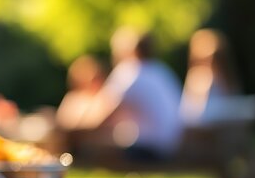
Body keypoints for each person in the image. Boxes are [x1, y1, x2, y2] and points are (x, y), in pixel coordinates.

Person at [68, 27, 183, 162]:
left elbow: (103, 117)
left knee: (89, 145)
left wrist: (72, 133)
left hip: (146, 149)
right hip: (171, 147)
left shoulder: (129, 72)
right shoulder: (162, 71)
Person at [180, 28, 255, 124]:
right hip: (207, 126)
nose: (212, 63)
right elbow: (195, 114)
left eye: (215, 59)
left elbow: (234, 99)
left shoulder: (228, 78)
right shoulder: (200, 79)